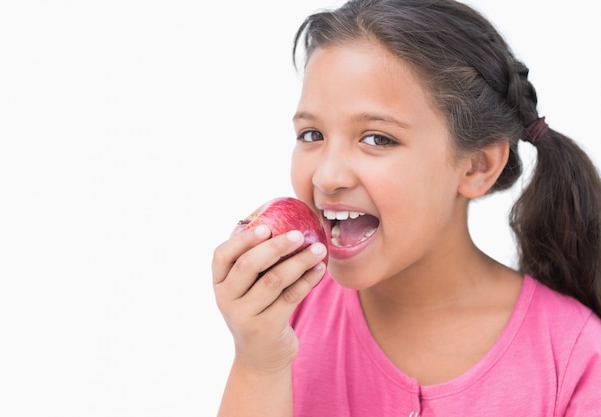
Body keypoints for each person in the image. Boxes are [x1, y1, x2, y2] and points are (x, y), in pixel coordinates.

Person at [211, 0, 601, 415]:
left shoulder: (575, 357)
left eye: (377, 138)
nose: (327, 176)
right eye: (311, 134)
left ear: (477, 165)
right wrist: (258, 364)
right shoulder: (285, 311)